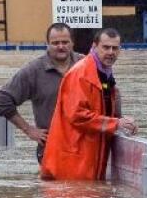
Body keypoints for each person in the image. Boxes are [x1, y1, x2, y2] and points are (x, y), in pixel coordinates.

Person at [40, 28, 137, 181]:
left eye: (115, 48)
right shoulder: (81, 74)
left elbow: (102, 111)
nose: (111, 52)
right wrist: (116, 123)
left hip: (85, 161)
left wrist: (123, 123)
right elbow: (77, 115)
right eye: (106, 47)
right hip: (72, 164)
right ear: (95, 46)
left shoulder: (104, 74)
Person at [0, 23, 84, 162]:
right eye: (55, 43)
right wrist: (29, 130)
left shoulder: (86, 65)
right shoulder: (33, 71)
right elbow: (2, 100)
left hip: (86, 147)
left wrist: (117, 121)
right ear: (47, 44)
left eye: (65, 42)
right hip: (51, 150)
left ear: (72, 43)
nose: (61, 46)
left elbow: (111, 91)